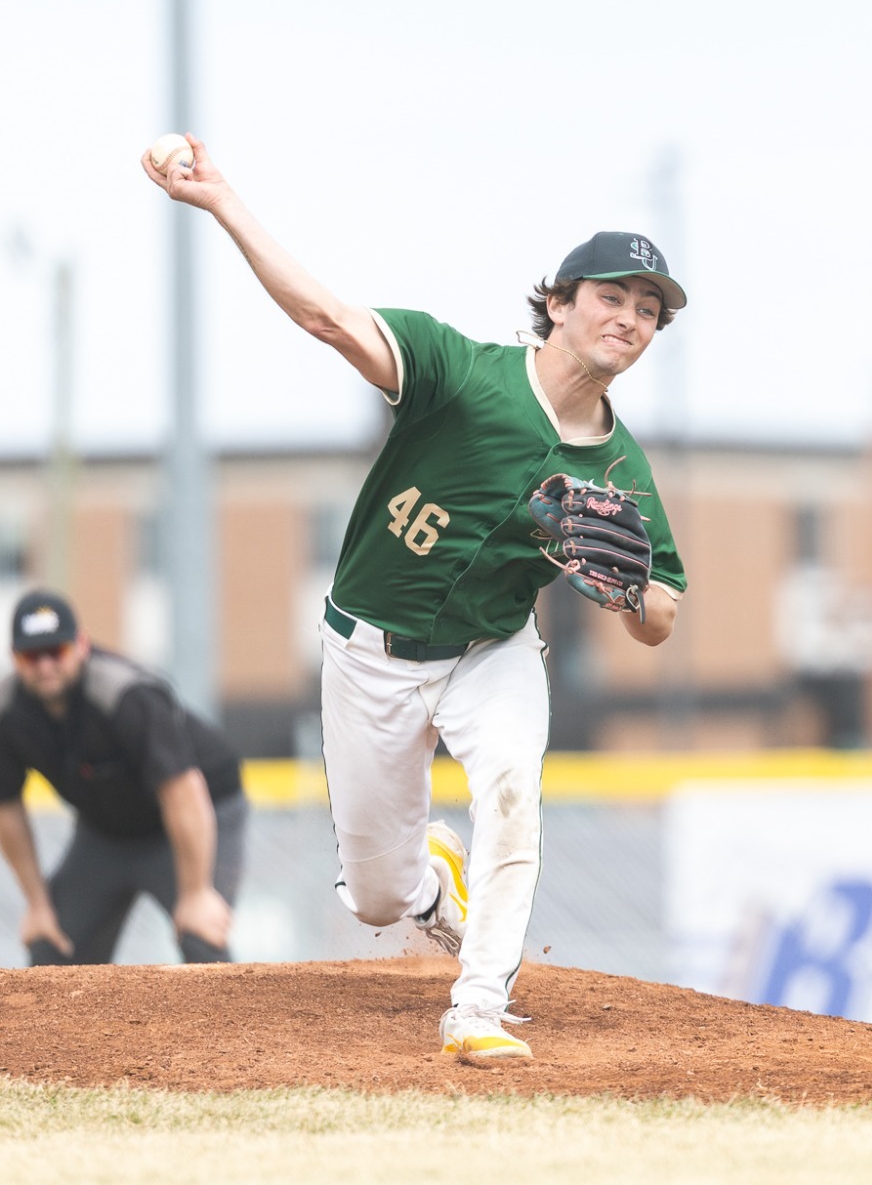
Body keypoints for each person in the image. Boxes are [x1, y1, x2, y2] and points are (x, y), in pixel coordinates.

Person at [141, 133, 689, 1060]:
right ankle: (432, 886)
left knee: (514, 792)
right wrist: (222, 200)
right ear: (557, 303)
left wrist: (627, 588)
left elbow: (662, 616)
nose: (631, 317)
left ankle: (477, 1007)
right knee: (378, 900)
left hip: (493, 651)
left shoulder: (620, 466)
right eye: (610, 296)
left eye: (649, 309)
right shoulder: (460, 371)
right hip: (368, 652)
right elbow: (327, 319)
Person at [0, 590, 246, 966]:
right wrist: (37, 904)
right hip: (106, 836)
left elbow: (183, 790)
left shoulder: (124, 694)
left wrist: (195, 894)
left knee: (200, 936)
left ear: (81, 645)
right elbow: (5, 807)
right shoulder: (0, 710)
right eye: (32, 655)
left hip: (196, 814)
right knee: (51, 944)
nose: (45, 665)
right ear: (14, 658)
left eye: (56, 651)